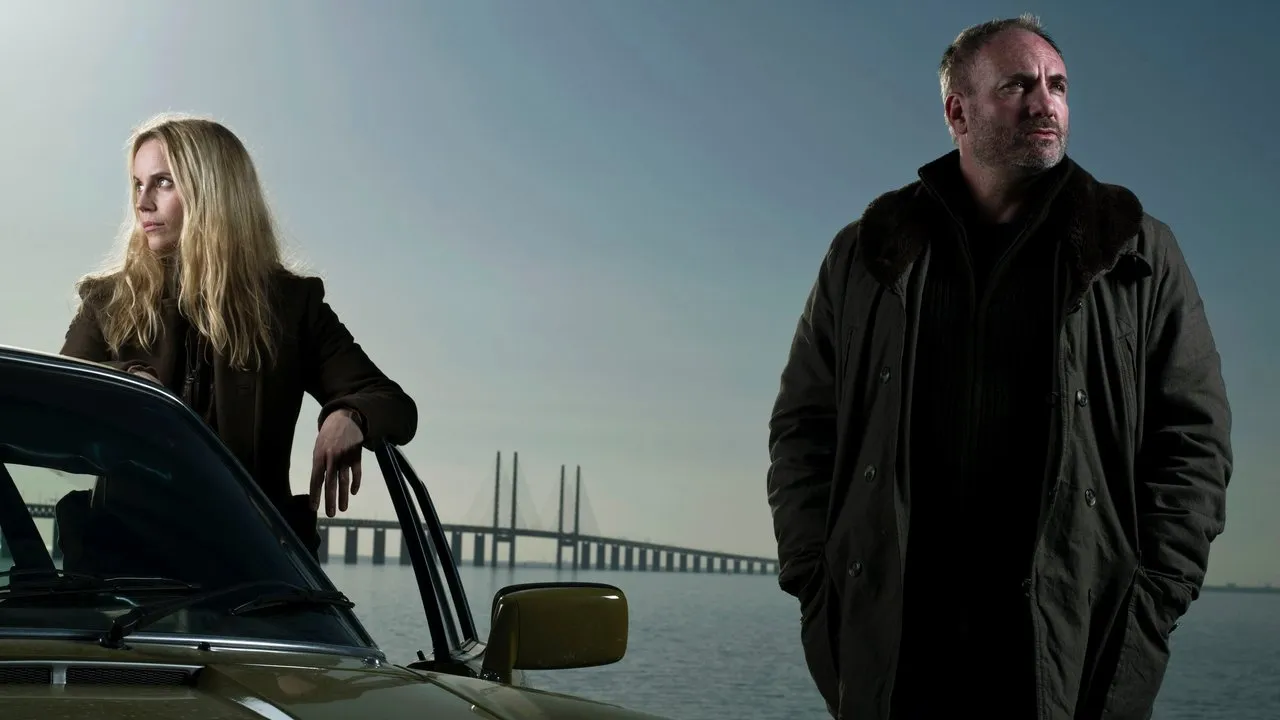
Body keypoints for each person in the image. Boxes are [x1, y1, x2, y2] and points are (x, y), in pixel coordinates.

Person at [766, 15, 1231, 720]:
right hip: (899, 646)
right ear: (957, 112)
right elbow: (804, 428)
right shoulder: (866, 253)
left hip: (1070, 639)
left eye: (1058, 86)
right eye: (1017, 86)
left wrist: (1154, 595)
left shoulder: (1137, 252)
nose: (1045, 103)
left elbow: (1194, 441)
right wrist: (816, 578)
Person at [60, 112, 418, 555]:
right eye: (137, 185)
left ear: (212, 191)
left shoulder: (290, 306)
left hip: (253, 567)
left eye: (163, 183)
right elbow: (59, 399)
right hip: (127, 569)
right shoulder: (108, 301)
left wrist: (350, 416)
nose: (143, 203)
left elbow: (392, 402)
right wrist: (130, 381)